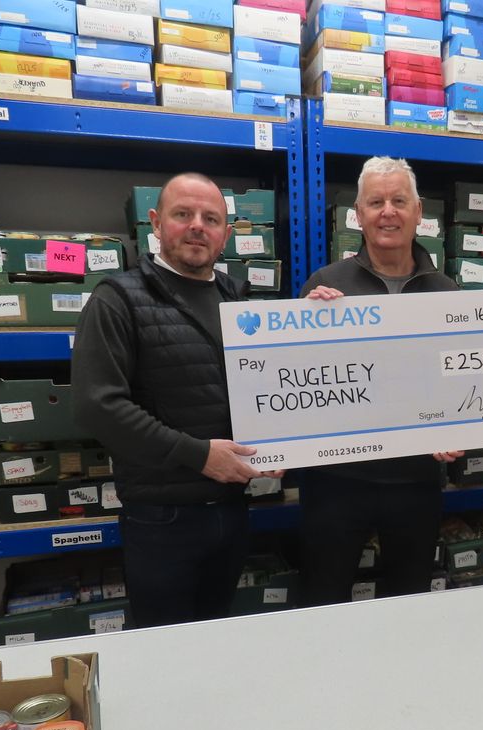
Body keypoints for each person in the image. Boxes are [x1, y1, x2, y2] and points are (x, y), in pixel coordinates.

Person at [72, 173, 268, 628]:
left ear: (225, 233)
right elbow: (97, 405)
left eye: (211, 218)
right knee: (164, 648)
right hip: (162, 522)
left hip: (232, 510)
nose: (198, 226)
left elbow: (265, 390)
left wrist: (323, 314)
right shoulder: (117, 299)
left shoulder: (239, 302)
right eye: (184, 214)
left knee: (216, 634)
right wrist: (199, 456)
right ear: (157, 223)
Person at [296, 157, 459, 606]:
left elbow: (457, 379)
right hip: (336, 483)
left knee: (410, 602)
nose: (388, 211)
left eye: (399, 201)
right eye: (376, 202)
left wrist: (459, 429)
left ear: (418, 212)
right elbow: (293, 381)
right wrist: (305, 326)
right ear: (359, 215)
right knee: (322, 600)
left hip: (416, 482)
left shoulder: (446, 291)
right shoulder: (325, 286)